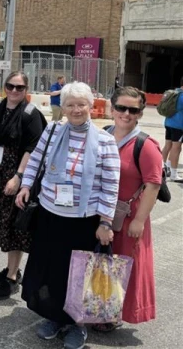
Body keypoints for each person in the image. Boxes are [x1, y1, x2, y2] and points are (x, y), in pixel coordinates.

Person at [15, 81, 120, 349]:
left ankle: (77, 325)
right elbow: (36, 160)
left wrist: (106, 221)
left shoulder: (106, 142)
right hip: (51, 215)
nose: (76, 109)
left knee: (80, 274)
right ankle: (54, 316)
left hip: (85, 220)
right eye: (70, 104)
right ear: (63, 107)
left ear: (91, 107)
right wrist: (26, 185)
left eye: (81, 104)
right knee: (51, 270)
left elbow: (110, 185)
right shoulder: (52, 131)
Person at [95, 87, 162, 332]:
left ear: (140, 114)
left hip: (128, 217)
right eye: (121, 108)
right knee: (103, 263)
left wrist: (139, 221)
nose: (126, 113)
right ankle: (100, 308)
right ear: (112, 109)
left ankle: (113, 315)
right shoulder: (103, 134)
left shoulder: (145, 145)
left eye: (133, 110)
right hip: (102, 213)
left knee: (123, 266)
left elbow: (153, 185)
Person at [0, 71, 47, 300]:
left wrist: (18, 177)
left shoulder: (30, 114)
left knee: (14, 225)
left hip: (15, 176)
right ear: (4, 87)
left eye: (19, 87)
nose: (14, 91)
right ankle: (10, 268)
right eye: (10, 86)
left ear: (26, 90)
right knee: (1, 224)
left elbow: (32, 148)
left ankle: (12, 277)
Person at [162, 77, 183, 180]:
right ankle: (174, 174)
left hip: (169, 123)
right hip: (179, 125)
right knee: (177, 148)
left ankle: (161, 167)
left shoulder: (174, 93)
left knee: (167, 146)